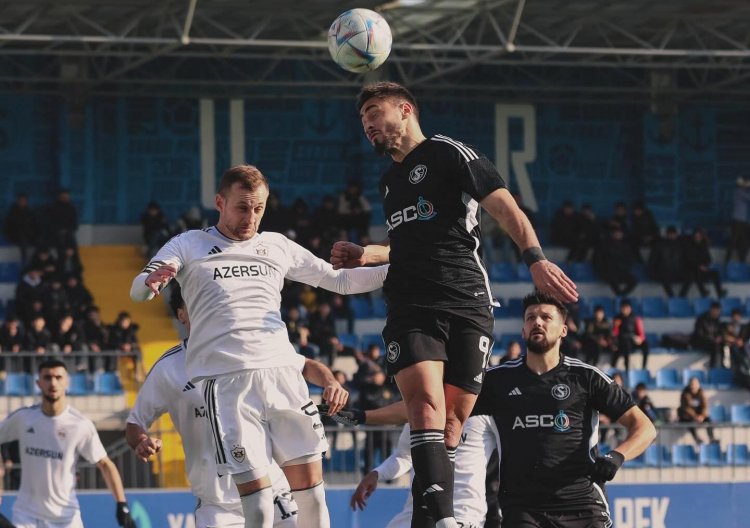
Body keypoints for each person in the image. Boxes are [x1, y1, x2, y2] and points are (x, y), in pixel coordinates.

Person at [331, 81, 578, 528]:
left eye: (374, 112)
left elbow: (504, 208)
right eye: (363, 119)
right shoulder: (389, 183)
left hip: (467, 300)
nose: (367, 124)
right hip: (411, 305)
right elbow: (405, 243)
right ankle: (442, 521)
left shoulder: (449, 153)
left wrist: (536, 259)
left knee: (452, 424)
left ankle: (432, 514)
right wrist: (369, 253)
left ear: (405, 110)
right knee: (426, 406)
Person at [129, 164, 389, 528]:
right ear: (220, 202)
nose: (251, 217)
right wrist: (152, 281)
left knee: (312, 497)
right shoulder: (188, 244)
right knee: (259, 506)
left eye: (259, 208)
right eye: (242, 207)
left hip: (283, 376)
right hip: (228, 386)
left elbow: (341, 281)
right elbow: (138, 290)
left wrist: (407, 267)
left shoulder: (276, 245)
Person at [126, 285, 349, 527]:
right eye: (197, 302)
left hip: (275, 494)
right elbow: (135, 423)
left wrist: (330, 382)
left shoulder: (250, 348)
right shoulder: (167, 368)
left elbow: (304, 365)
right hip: (219, 507)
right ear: (182, 314)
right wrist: (141, 441)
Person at [470, 292, 655, 527]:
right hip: (523, 509)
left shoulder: (586, 378)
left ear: (563, 330)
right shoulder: (496, 381)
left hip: (582, 505)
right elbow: (451, 411)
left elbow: (645, 427)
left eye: (546, 317)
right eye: (530, 318)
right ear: (523, 331)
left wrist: (616, 456)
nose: (537, 322)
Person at [0, 359, 135, 528]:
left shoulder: (80, 424)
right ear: (38, 383)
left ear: (67, 382)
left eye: (58, 377)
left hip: (65, 518)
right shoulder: (23, 418)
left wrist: (121, 503)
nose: (53, 383)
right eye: (47, 377)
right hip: (26, 516)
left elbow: (105, 464)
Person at [350, 416, 500, 528]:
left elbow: (510, 455)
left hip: (462, 513)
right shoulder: (420, 409)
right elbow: (405, 456)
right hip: (416, 512)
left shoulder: (486, 411)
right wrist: (377, 473)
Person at [612, 300, 649, 373]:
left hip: (633, 341)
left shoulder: (635, 318)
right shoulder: (618, 318)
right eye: (623, 308)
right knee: (626, 344)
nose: (625, 310)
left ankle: (644, 368)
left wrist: (640, 339)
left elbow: (641, 333)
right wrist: (616, 326)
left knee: (646, 345)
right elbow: (614, 333)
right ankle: (627, 370)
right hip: (622, 341)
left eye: (627, 308)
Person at [677, 377, 716, 445]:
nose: (693, 386)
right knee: (689, 422)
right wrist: (695, 416)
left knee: (708, 419)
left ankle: (711, 438)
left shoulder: (701, 393)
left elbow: (705, 406)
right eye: (692, 384)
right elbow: (686, 407)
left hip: (699, 415)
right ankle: (696, 438)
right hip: (688, 416)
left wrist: (702, 416)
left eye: (695, 384)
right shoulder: (685, 393)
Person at [3, 192, 38, 267]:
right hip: (16, 235)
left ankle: (37, 262)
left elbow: (34, 225)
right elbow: (8, 227)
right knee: (23, 239)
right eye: (21, 200)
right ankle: (24, 261)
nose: (23, 202)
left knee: (39, 240)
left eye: (24, 200)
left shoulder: (29, 211)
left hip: (29, 234)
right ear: (18, 201)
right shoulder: (12, 212)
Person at [691, 301, 724, 368]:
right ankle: (712, 367)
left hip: (712, 341)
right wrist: (713, 339)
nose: (717, 313)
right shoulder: (702, 319)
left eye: (718, 311)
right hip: (701, 341)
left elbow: (718, 331)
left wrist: (719, 337)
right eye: (716, 311)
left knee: (723, 343)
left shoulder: (717, 319)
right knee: (714, 346)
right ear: (712, 310)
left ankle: (722, 364)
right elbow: (699, 334)